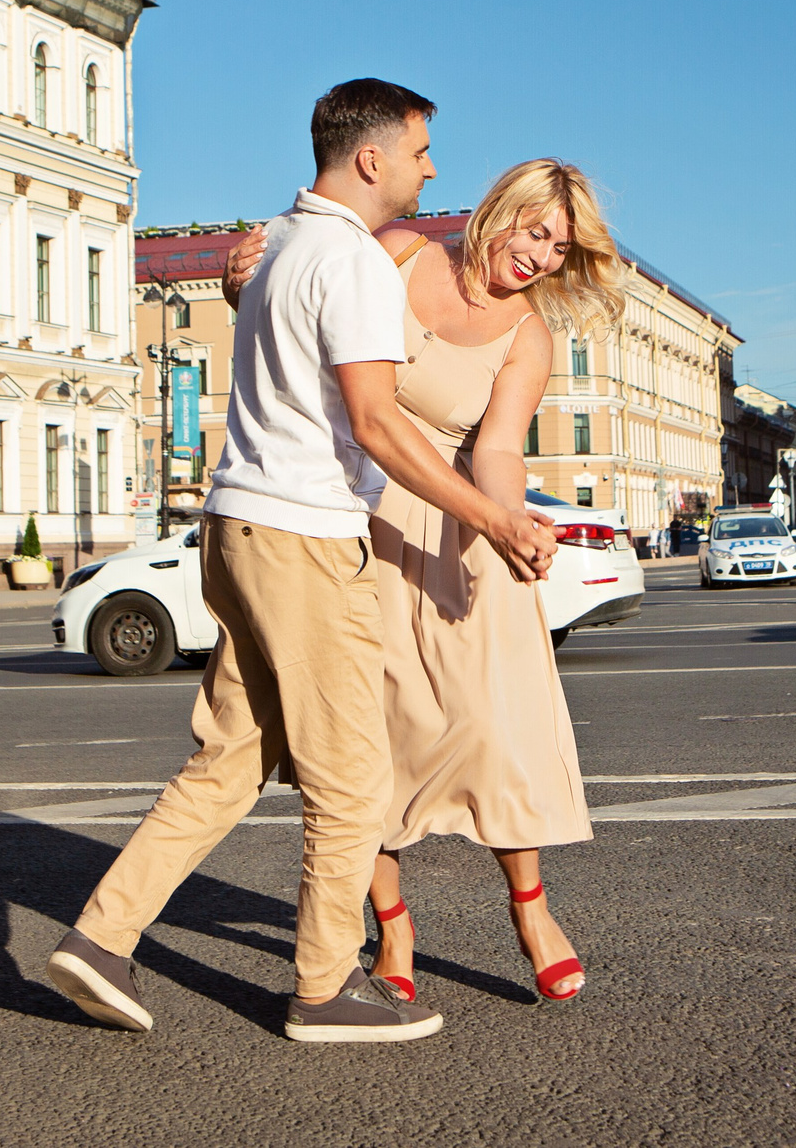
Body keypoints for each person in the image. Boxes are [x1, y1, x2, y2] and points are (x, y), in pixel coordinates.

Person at [44, 80, 556, 1045]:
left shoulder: (279, 241)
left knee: (231, 758)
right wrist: (490, 515)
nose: (430, 167)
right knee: (353, 777)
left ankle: (101, 937)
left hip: (233, 524)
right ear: (372, 159)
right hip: (305, 534)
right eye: (420, 149)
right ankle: (323, 986)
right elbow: (374, 420)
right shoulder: (358, 263)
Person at [224, 158, 623, 1006]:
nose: (543, 255)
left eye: (560, 246)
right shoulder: (398, 252)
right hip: (346, 515)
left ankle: (531, 910)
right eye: (534, 231)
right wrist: (239, 296)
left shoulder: (528, 334)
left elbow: (500, 448)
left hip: (456, 521)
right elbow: (305, 317)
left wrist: (505, 523)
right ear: (497, 213)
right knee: (363, 737)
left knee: (497, 725)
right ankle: (393, 924)